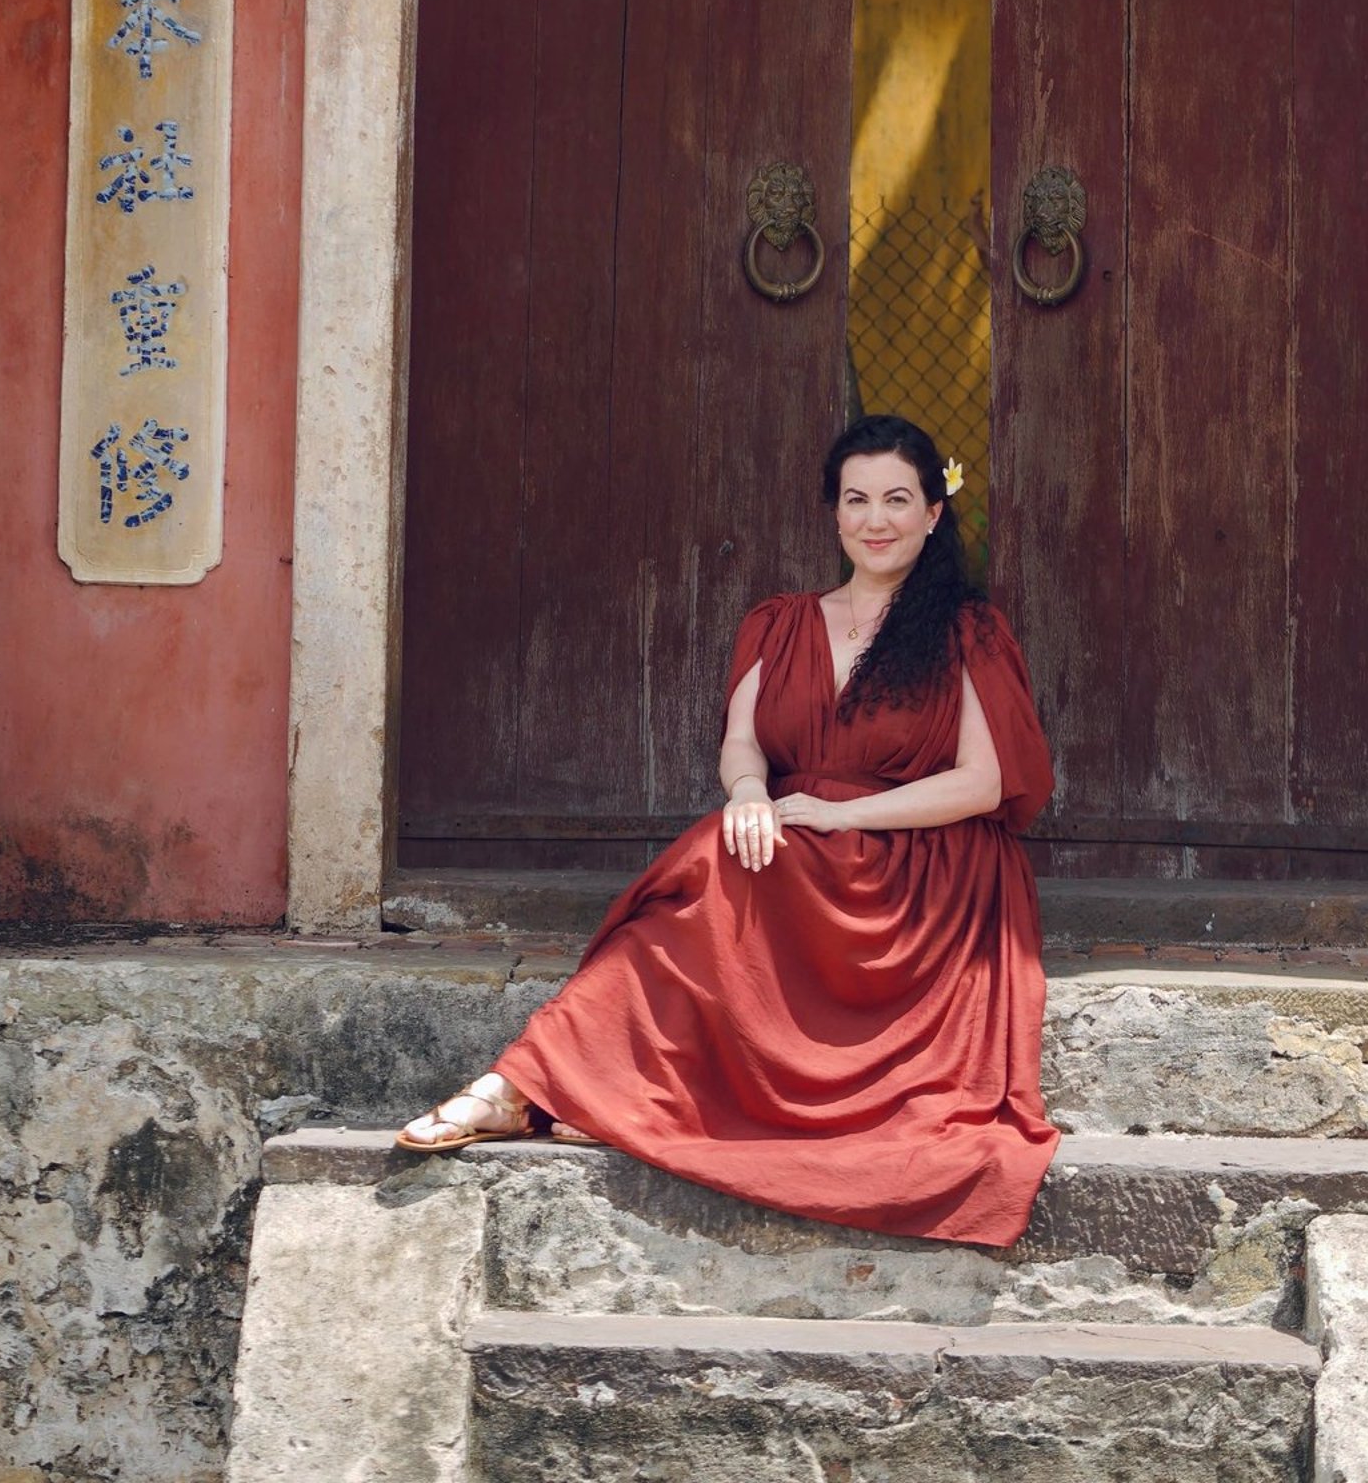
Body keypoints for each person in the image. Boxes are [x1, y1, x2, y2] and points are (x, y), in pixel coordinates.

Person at [396, 414, 1058, 1247]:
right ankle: (526, 1083)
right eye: (857, 499)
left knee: (719, 868)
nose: (876, 519)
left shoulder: (970, 631)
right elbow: (743, 742)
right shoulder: (778, 622)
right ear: (834, 512)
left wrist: (845, 813)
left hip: (921, 864)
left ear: (933, 513)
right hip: (797, 842)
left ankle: (542, 1089)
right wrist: (749, 794)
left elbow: (984, 782)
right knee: (706, 870)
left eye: (898, 499)